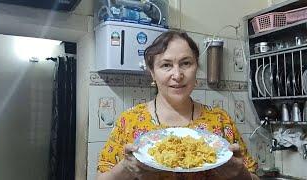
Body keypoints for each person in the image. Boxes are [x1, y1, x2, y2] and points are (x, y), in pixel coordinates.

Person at [96, 30, 259, 180]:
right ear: (152, 72)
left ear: (196, 68)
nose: (177, 75)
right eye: (166, 65)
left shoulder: (220, 120)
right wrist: (126, 168)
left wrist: (240, 174)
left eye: (186, 63)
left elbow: (253, 176)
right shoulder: (130, 121)